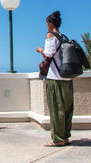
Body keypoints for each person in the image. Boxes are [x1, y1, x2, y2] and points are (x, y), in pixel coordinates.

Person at [36, 11, 73, 147]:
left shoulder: (50, 35)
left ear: (50, 24)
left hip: (55, 78)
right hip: (67, 78)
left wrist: (40, 50)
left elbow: (48, 53)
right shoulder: (64, 37)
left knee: (56, 109)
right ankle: (65, 136)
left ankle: (58, 138)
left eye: (46, 23)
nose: (46, 26)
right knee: (67, 109)